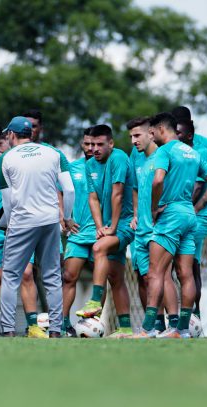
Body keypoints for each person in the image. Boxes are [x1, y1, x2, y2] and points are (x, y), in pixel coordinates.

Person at [135, 112, 207, 338]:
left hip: (170, 215)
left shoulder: (164, 151)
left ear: (161, 129)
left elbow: (158, 180)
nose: (151, 137)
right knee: (186, 274)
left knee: (155, 272)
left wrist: (154, 208)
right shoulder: (193, 152)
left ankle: (147, 329)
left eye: (152, 132)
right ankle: (181, 330)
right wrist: (197, 207)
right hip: (189, 216)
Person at [0, 116, 75, 337]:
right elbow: (69, 190)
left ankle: (8, 330)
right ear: (30, 133)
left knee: (10, 276)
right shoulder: (54, 153)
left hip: (21, 222)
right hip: (49, 220)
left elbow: (7, 200)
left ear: (11, 134)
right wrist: (67, 218)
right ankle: (56, 330)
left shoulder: (5, 159)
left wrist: (10, 224)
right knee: (52, 277)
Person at [0, 123, 42, 336]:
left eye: (0, 144)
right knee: (1, 276)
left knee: (26, 273)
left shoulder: (22, 158)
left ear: (9, 138)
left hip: (23, 221)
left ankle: (33, 326)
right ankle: (8, 328)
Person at [74, 124, 136, 337]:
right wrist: (100, 226)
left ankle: (94, 301)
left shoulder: (118, 158)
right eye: (91, 144)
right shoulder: (89, 164)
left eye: (100, 144)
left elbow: (117, 194)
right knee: (116, 278)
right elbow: (93, 198)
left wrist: (113, 228)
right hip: (109, 225)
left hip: (125, 223)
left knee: (98, 248)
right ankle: (125, 329)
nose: (95, 149)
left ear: (111, 143)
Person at [127, 117, 177, 333]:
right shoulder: (138, 158)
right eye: (131, 137)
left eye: (137, 135)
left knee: (163, 275)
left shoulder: (164, 155)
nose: (133, 141)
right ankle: (157, 327)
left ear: (151, 133)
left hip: (159, 227)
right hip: (141, 229)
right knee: (147, 277)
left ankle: (175, 326)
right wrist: (136, 214)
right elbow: (136, 188)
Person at [176, 118, 207, 320]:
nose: (175, 136)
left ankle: (183, 316)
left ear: (189, 134)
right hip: (191, 216)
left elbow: (199, 186)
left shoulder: (200, 152)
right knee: (192, 265)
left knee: (176, 261)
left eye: (179, 132)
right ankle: (195, 316)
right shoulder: (178, 153)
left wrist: (191, 209)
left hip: (201, 217)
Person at [61, 128, 96, 336]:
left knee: (102, 280)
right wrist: (64, 217)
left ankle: (93, 324)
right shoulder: (73, 168)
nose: (90, 148)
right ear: (82, 144)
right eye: (87, 143)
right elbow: (60, 192)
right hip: (78, 232)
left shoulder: (110, 167)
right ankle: (63, 323)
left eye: (94, 144)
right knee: (68, 277)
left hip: (101, 234)